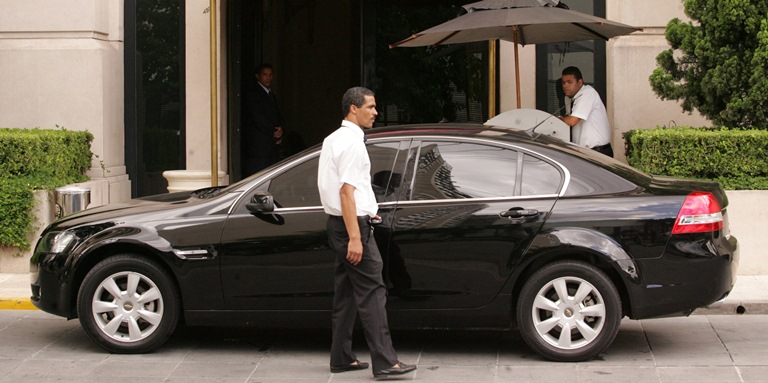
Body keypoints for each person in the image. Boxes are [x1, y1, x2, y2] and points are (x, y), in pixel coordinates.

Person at [317, 86, 416, 379]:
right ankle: (386, 362)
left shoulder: (333, 138)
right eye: (371, 107)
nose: (375, 112)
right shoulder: (352, 143)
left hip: (339, 224)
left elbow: (341, 189)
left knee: (346, 294)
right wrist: (357, 238)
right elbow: (345, 192)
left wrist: (367, 208)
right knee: (373, 292)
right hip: (351, 227)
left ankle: (342, 357)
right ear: (353, 109)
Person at [559, 66, 613, 157]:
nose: (565, 86)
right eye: (563, 83)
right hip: (582, 152)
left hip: (598, 152)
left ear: (580, 82)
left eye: (569, 82)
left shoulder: (588, 93)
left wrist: (558, 119)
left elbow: (572, 121)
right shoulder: (568, 98)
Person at [243, 63, 285, 175]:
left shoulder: (271, 94)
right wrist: (274, 133)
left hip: (270, 147)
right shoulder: (253, 94)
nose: (268, 77)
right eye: (265, 74)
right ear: (258, 76)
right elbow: (258, 118)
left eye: (270, 74)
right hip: (259, 148)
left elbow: (277, 115)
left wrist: (281, 130)